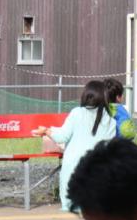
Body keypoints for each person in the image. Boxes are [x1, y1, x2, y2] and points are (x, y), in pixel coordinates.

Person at [32, 79, 116, 212]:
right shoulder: (111, 122)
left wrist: (46, 131)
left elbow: (62, 136)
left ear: (86, 96)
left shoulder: (77, 113)